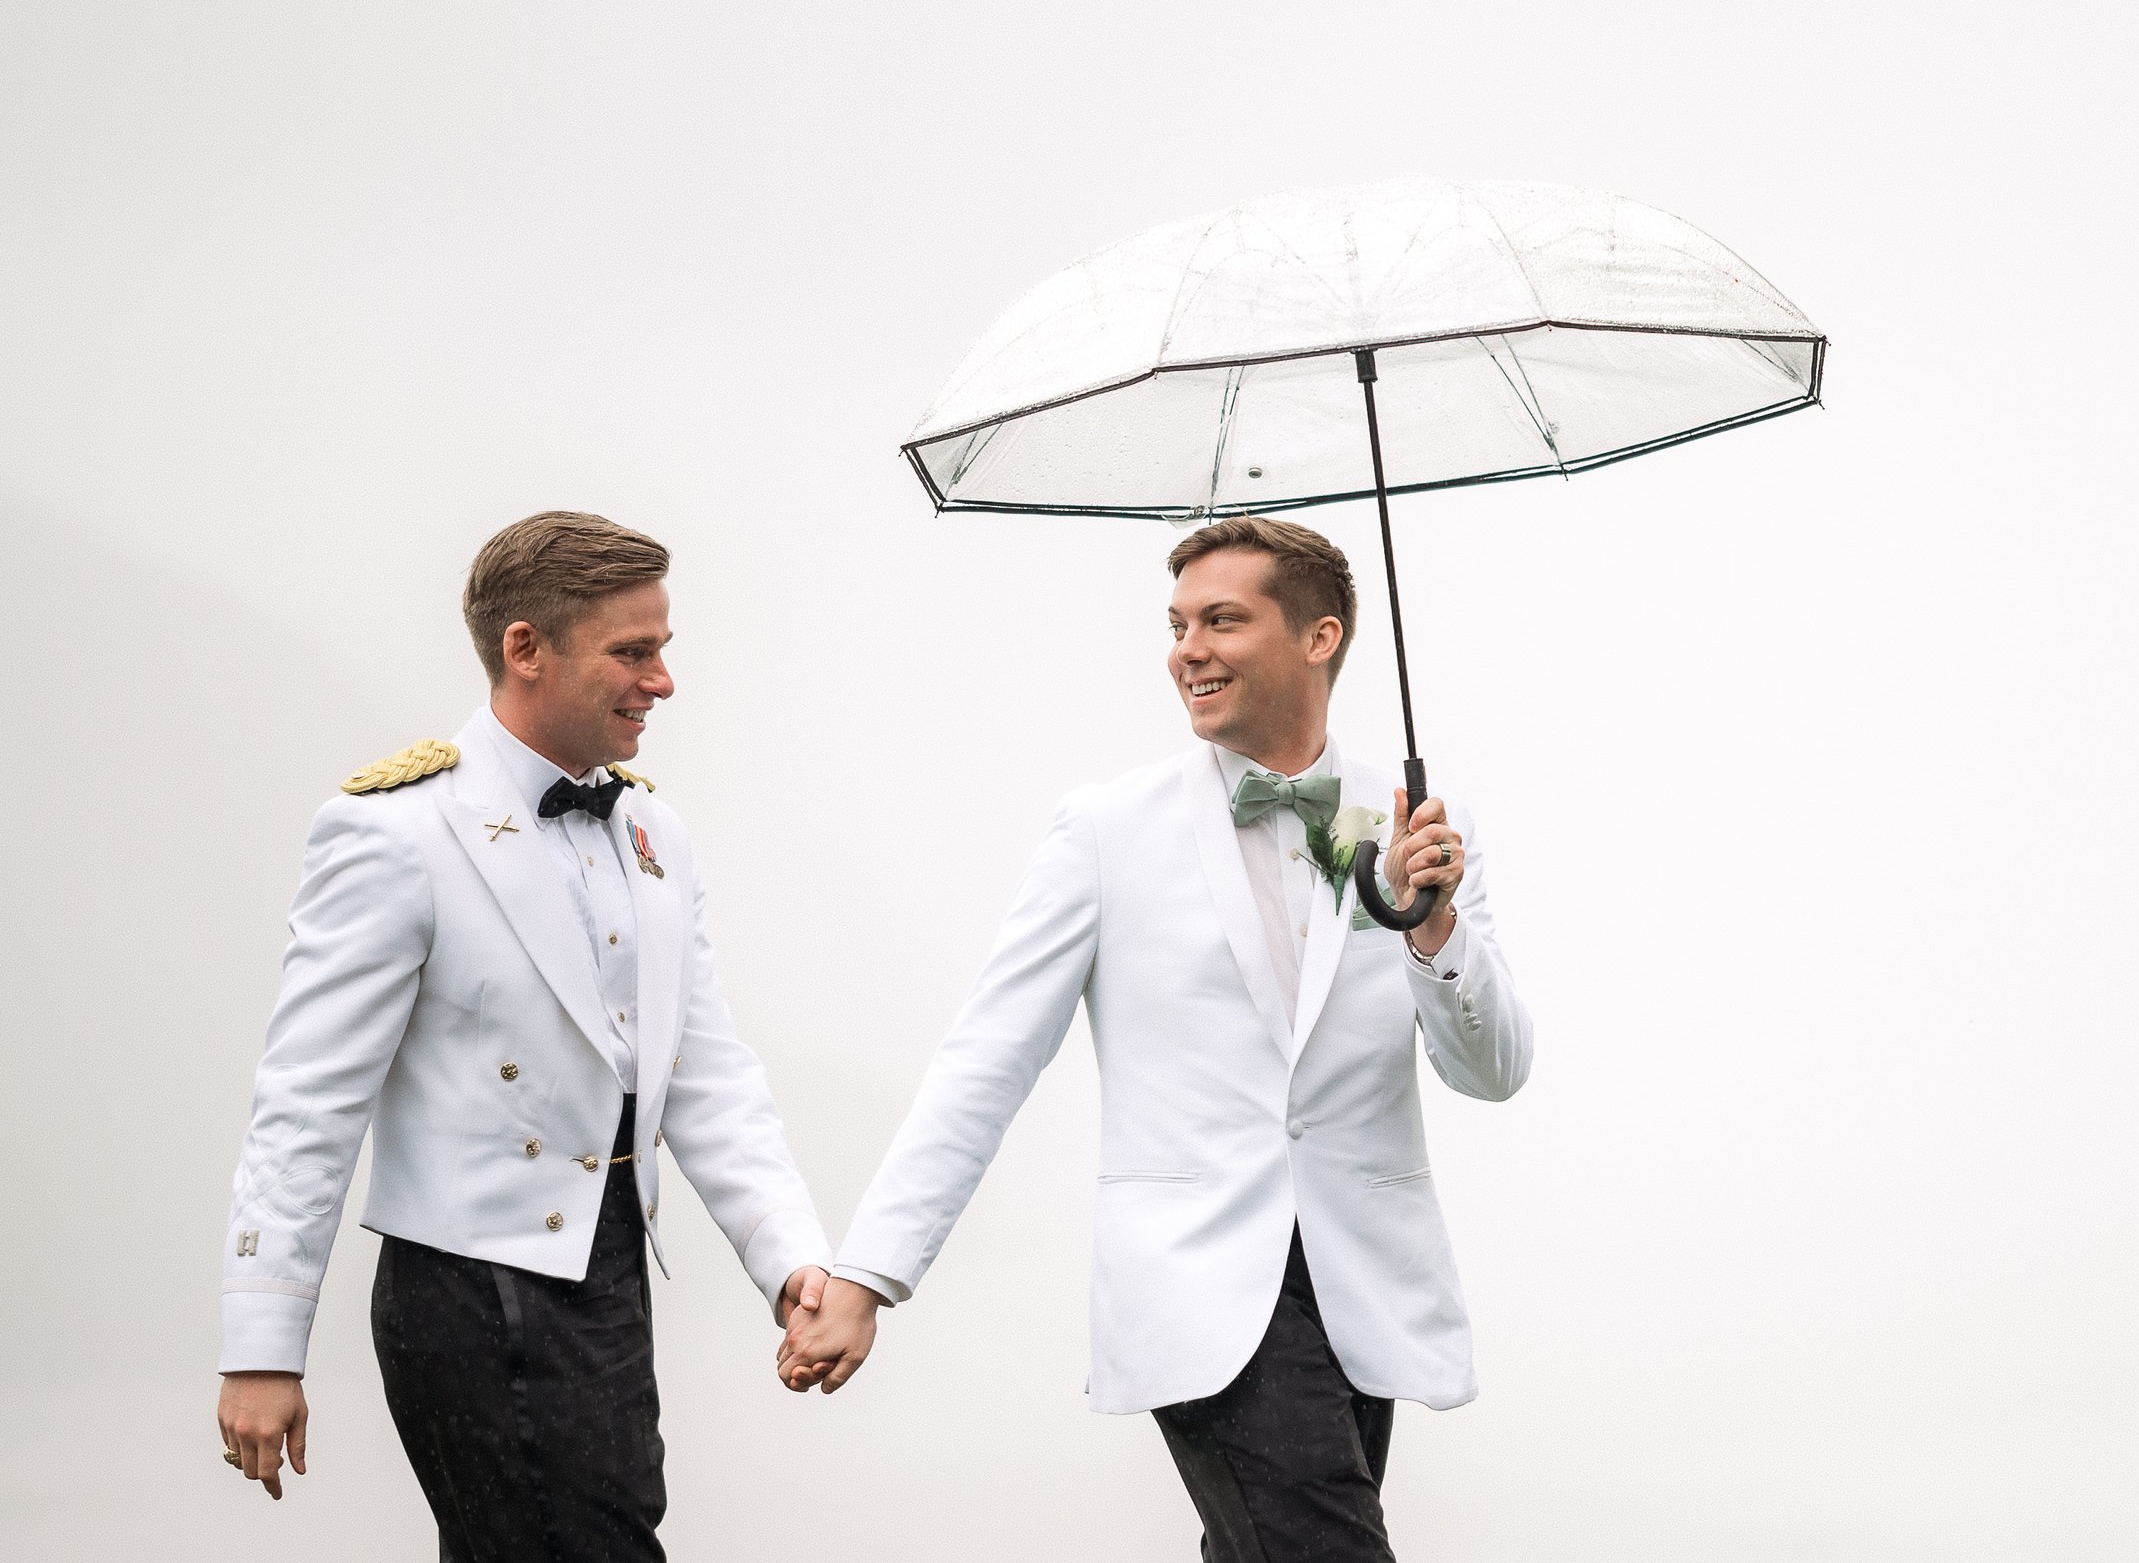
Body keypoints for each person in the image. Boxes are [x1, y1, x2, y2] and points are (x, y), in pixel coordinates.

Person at [780, 516, 1532, 1561]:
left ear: (1320, 637)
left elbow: (1493, 1071)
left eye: (1222, 619)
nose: (1186, 649)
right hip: (1201, 1294)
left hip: (1368, 1293)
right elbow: (986, 1061)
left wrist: (1434, 924)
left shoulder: (1408, 826)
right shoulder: (1104, 830)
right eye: (1177, 624)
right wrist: (868, 1274)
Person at [214, 510, 840, 1559]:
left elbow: (701, 1071)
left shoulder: (653, 831)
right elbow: (307, 1101)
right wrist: (262, 1346)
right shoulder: (393, 829)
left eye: (662, 651)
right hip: (466, 1286)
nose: (662, 681)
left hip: (608, 1277)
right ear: (525, 648)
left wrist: (791, 1262)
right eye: (632, 653)